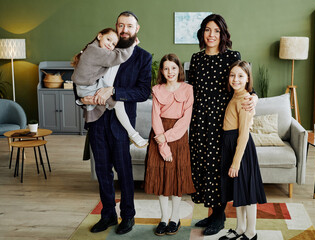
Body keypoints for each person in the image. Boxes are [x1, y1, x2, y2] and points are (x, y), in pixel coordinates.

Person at [78, 11, 152, 235]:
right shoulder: (101, 49)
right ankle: (108, 215)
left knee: (124, 171)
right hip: (97, 121)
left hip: (121, 124)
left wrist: (115, 91)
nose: (124, 30)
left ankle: (128, 216)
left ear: (136, 29)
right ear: (115, 27)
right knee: (103, 171)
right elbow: (81, 73)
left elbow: (142, 92)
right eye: (121, 25)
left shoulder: (143, 57)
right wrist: (81, 98)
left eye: (129, 26)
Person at [188, 14, 258, 236]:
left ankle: (219, 216)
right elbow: (191, 91)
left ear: (222, 34)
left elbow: (244, 82)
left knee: (217, 169)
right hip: (199, 120)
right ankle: (212, 214)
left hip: (222, 122)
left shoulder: (231, 56)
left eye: (216, 31)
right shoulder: (196, 58)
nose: (211, 35)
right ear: (202, 33)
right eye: (208, 30)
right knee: (202, 166)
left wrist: (254, 98)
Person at [144, 54, 196, 236]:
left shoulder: (188, 89)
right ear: (162, 71)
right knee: (161, 179)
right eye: (166, 68)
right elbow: (155, 118)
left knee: (177, 179)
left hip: (178, 136)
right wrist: (162, 145)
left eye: (173, 68)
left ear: (179, 69)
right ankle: (164, 218)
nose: (170, 72)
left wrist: (167, 137)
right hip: (159, 137)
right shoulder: (157, 89)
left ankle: (175, 218)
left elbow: (185, 120)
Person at [71, 27, 148, 148]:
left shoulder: (93, 48)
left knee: (117, 102)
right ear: (99, 36)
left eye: (113, 44)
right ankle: (132, 134)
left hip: (86, 86)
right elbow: (117, 57)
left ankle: (132, 133)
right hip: (87, 88)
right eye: (108, 39)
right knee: (118, 103)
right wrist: (132, 46)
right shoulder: (95, 51)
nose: (110, 45)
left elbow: (143, 92)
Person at [219, 60, 266, 240]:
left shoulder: (246, 99)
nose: (235, 79)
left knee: (247, 192)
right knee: (238, 191)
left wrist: (236, 162)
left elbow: (244, 134)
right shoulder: (235, 95)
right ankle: (240, 228)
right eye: (232, 75)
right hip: (230, 145)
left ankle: (251, 232)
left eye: (240, 76)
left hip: (242, 149)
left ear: (247, 78)